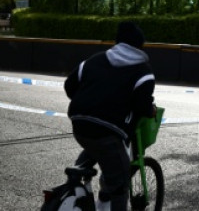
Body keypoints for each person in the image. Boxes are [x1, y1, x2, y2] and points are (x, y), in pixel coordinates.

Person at [65, 21, 156, 211]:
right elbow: (142, 106)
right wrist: (151, 110)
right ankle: (103, 198)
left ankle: (78, 179)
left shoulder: (94, 60)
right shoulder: (143, 72)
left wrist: (89, 102)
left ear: (118, 42)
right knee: (120, 183)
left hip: (79, 124)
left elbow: (69, 86)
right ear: (140, 46)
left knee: (94, 145)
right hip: (109, 131)